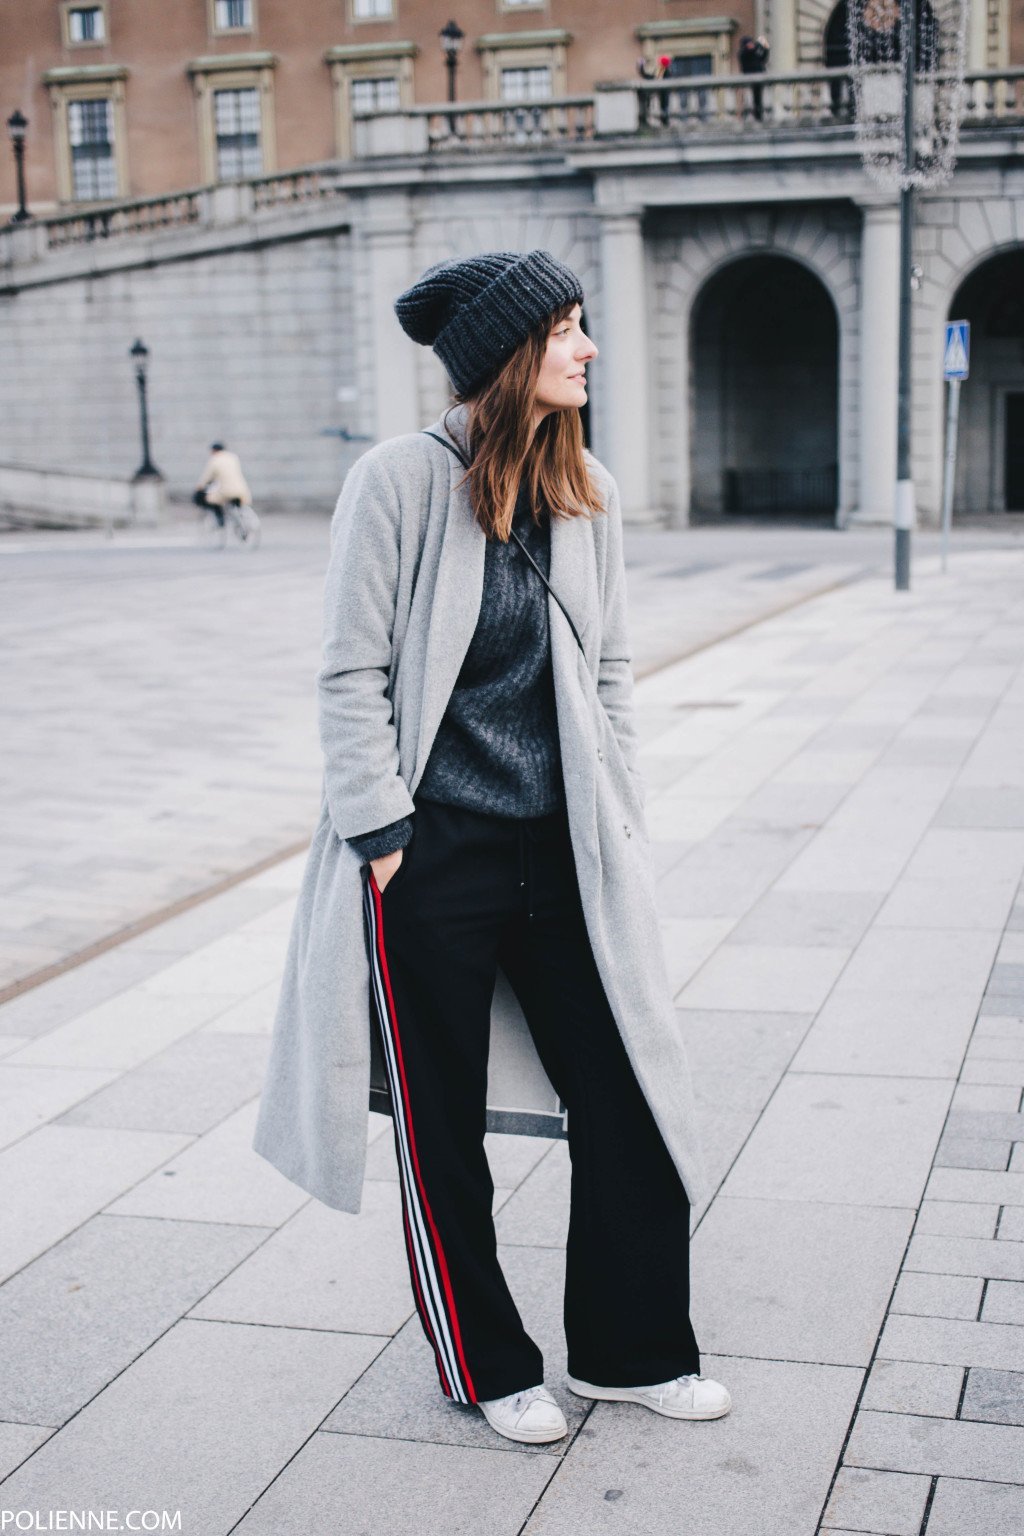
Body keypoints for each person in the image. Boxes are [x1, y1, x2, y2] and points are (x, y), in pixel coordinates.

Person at [252, 249, 731, 1447]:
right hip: (432, 858)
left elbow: (610, 668)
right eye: (566, 330)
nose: (588, 348)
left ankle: (630, 1352)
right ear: (509, 356)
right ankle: (485, 1362)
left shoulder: (586, 488)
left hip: (565, 852)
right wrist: (383, 835)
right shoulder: (397, 484)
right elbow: (349, 673)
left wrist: (618, 808)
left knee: (628, 1091)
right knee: (442, 1128)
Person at [194, 441, 252, 528]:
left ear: (214, 450)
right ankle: (239, 521)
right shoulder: (233, 458)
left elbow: (207, 477)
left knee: (210, 500)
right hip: (242, 490)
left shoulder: (215, 460)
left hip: (226, 492)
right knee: (235, 506)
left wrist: (200, 486)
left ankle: (220, 519)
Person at [738, 35, 770, 122]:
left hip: (759, 78)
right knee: (750, 100)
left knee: (758, 99)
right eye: (749, 43)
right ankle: (751, 116)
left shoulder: (754, 52)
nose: (751, 45)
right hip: (750, 79)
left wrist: (766, 48)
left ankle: (759, 117)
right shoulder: (744, 53)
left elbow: (763, 59)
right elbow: (750, 52)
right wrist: (759, 44)